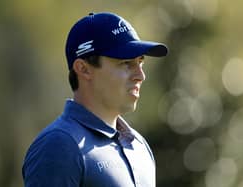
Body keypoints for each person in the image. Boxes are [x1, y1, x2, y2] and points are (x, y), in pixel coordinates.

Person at [22, 12, 168, 187]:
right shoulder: (58, 146)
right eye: (126, 63)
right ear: (83, 69)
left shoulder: (140, 146)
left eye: (140, 62)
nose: (140, 75)